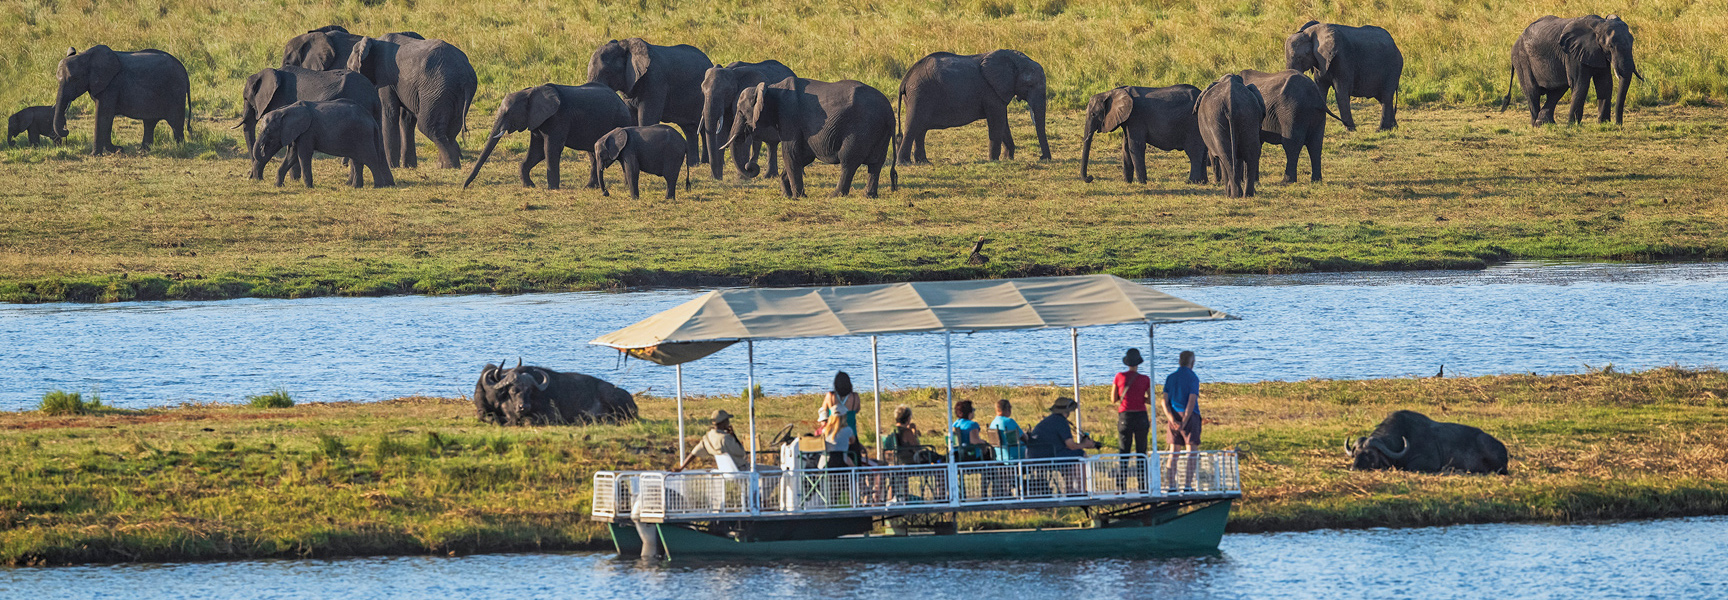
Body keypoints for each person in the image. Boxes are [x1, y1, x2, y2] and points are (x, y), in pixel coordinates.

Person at [1161, 350, 1203, 490]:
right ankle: (1187, 485)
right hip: (1190, 417)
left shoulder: (1170, 377)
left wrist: (1171, 418)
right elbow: (1191, 401)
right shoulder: (1193, 378)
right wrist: (1185, 420)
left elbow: (1164, 401)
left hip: (1173, 415)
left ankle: (1172, 485)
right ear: (1192, 362)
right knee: (1191, 451)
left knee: (1174, 452)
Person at [1026, 397, 1102, 459]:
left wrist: (1082, 444)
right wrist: (1085, 445)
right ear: (1067, 411)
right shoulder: (1061, 422)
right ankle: (1079, 478)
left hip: (1033, 455)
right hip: (1049, 455)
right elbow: (1071, 446)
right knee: (1080, 454)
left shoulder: (1049, 420)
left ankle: (1071, 476)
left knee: (1068, 453)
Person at [675, 410, 748, 472]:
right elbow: (742, 453)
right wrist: (733, 435)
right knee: (758, 469)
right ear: (723, 422)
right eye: (727, 420)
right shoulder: (726, 438)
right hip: (739, 471)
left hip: (725, 472)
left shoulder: (707, 437)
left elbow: (694, 453)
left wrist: (681, 468)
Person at [1113, 348, 1152, 456]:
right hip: (1141, 415)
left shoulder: (1119, 377)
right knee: (1141, 449)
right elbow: (1151, 399)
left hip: (1125, 415)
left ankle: (1123, 472)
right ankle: (1142, 472)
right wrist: (1140, 398)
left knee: (1124, 449)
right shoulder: (1145, 379)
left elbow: (1113, 398)